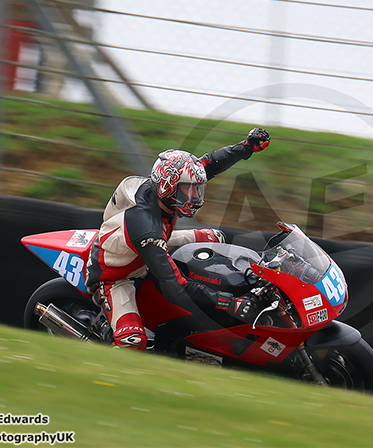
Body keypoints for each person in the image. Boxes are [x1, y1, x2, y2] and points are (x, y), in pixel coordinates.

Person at [84, 128, 271, 350]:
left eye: (197, 190)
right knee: (132, 343)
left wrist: (246, 147)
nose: (194, 197)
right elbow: (175, 288)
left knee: (215, 237)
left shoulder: (164, 194)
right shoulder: (145, 224)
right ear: (168, 187)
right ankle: (105, 335)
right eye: (188, 192)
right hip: (116, 275)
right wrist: (229, 303)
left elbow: (209, 164)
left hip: (146, 246)